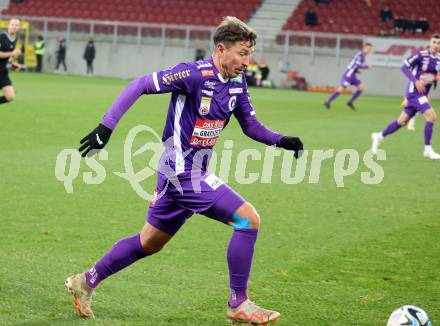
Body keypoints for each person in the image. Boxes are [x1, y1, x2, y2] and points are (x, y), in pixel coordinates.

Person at [66, 16, 303, 325]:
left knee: (148, 242)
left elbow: (250, 125)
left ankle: (86, 281)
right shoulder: (192, 74)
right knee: (248, 219)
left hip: (186, 174)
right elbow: (139, 84)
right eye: (243, 53)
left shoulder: (237, 82)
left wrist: (281, 140)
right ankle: (238, 303)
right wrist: (105, 127)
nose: (248, 61)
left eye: (250, 54)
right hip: (181, 172)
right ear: (221, 49)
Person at [371, 34, 440, 160]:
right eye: (434, 42)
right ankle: (427, 149)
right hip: (414, 93)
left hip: (422, 94)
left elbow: (430, 76)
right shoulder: (421, 55)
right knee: (432, 116)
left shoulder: (439, 59)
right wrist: (415, 81)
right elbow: (404, 66)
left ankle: (379, 136)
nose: (436, 45)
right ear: (430, 43)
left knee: (401, 122)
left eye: (438, 43)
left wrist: (430, 86)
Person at [324, 43, 373, 110]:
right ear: (363, 48)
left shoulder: (362, 55)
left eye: (370, 49)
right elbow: (357, 65)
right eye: (367, 48)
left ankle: (350, 102)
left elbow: (353, 64)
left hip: (353, 75)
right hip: (348, 75)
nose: (368, 50)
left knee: (361, 88)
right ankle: (328, 102)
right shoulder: (360, 55)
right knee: (341, 89)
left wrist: (357, 71)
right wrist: (367, 66)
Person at [0, 18, 21, 106]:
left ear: (19, 27)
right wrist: (12, 53)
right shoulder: (2, 36)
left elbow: (8, 57)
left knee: (10, 96)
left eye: (16, 25)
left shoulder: (15, 39)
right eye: (12, 25)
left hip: (2, 72)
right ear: (8, 25)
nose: (14, 27)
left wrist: (12, 64)